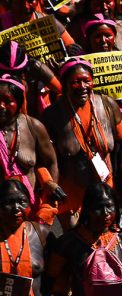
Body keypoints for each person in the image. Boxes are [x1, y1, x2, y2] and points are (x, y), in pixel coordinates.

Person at [41, 59, 122, 228]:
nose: (83, 86)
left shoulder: (108, 105)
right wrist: (49, 184)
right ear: (64, 84)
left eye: (87, 81)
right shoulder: (52, 115)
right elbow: (42, 158)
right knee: (76, 245)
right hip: (71, 194)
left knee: (107, 239)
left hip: (105, 189)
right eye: (76, 82)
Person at [0, 81, 62, 227]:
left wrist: (49, 196)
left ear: (19, 102)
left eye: (8, 101)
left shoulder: (34, 127)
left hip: (31, 210)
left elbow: (51, 162)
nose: (1, 106)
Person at [0, 180, 50, 296]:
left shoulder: (42, 234)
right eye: (8, 202)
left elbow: (56, 275)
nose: (16, 207)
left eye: (22, 201)